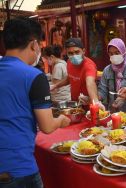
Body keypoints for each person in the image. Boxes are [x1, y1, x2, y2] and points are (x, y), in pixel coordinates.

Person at [0, 17, 70, 188]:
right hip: (18, 167)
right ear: (34, 44)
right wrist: (61, 120)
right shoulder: (34, 76)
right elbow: (46, 126)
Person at [51, 38, 104, 109]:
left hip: (89, 106)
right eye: (70, 53)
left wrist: (96, 102)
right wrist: (55, 86)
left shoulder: (89, 65)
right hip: (75, 104)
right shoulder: (69, 62)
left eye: (77, 52)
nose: (74, 55)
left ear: (83, 51)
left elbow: (90, 82)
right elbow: (70, 78)